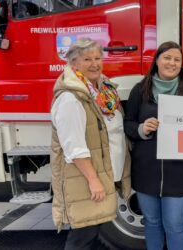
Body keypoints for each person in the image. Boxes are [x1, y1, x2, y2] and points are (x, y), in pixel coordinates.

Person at [50, 37, 131, 250]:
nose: (95, 64)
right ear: (73, 64)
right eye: (87, 59)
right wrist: (93, 180)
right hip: (87, 178)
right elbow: (74, 147)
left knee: (93, 234)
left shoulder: (103, 91)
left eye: (98, 58)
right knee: (83, 237)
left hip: (104, 173)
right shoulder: (71, 99)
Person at [123, 41, 183, 250]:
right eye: (167, 57)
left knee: (175, 224)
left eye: (177, 59)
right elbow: (128, 124)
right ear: (156, 60)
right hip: (146, 170)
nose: (172, 63)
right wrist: (142, 128)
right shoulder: (140, 90)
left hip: (179, 172)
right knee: (152, 222)